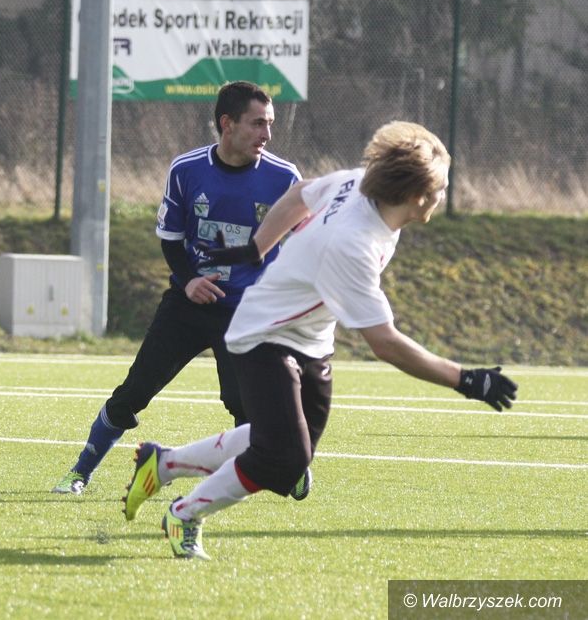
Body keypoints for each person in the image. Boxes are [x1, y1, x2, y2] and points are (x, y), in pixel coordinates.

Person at [120, 120, 519, 560]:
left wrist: (257, 247)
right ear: (416, 195)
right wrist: (465, 379)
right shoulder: (354, 243)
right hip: (264, 334)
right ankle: (184, 514)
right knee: (284, 459)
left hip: (309, 340)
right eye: (440, 187)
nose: (443, 195)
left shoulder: (357, 182)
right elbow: (384, 343)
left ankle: (162, 464)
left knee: (285, 445)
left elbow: (300, 193)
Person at [52, 81, 306, 498]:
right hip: (188, 306)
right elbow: (171, 238)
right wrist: (189, 281)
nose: (267, 134)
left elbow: (305, 243)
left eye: (270, 123)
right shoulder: (187, 169)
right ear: (227, 123)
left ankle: (286, 464)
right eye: (258, 123)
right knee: (134, 392)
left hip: (245, 312)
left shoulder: (284, 178)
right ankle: (79, 472)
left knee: (244, 404)